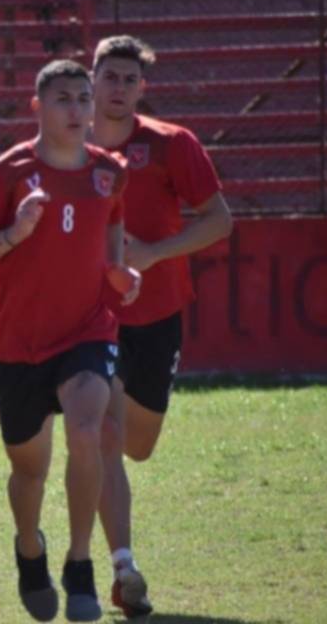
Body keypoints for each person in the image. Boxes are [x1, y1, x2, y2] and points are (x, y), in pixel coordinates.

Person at [0, 60, 140, 623]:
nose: (77, 109)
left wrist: (120, 271)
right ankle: (29, 546)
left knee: (87, 430)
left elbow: (112, 225)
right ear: (37, 106)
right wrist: (15, 233)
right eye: (63, 99)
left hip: (88, 331)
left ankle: (80, 564)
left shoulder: (109, 171)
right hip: (20, 346)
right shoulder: (5, 173)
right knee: (29, 472)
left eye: (84, 98)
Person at [90, 34, 233, 618]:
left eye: (130, 79)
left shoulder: (173, 144)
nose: (118, 88)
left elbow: (219, 221)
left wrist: (153, 254)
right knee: (104, 434)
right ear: (92, 79)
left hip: (157, 313)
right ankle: (124, 569)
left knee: (137, 445)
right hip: (92, 317)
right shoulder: (66, 145)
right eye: (109, 76)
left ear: (142, 88)